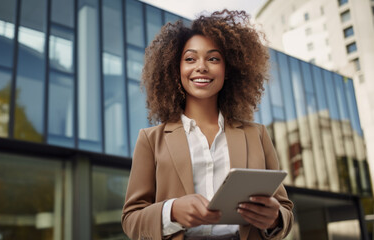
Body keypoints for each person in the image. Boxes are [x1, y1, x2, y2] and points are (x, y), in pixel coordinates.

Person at [121, 9, 293, 240]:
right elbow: (131, 220)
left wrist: (274, 219)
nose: (201, 67)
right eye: (190, 59)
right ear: (176, 70)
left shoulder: (257, 135)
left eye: (213, 58)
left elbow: (284, 210)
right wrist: (171, 211)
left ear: (228, 70)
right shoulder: (151, 140)